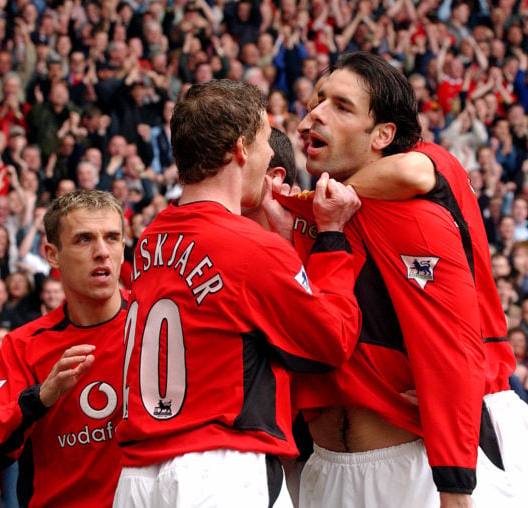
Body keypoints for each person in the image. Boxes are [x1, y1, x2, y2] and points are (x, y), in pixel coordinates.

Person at [281, 51, 528, 507]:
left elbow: (450, 349)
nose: (313, 117)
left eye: (341, 106)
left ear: (384, 134)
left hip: (458, 432)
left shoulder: (420, 189)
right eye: (315, 102)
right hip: (334, 468)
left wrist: (454, 482)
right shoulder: (320, 219)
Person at [113, 79, 362, 507]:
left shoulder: (153, 236)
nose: (270, 154)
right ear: (241, 148)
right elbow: (333, 339)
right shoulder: (249, 247)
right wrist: (332, 238)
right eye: (265, 140)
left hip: (139, 475)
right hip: (217, 469)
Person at [0, 190, 129, 507]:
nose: (103, 251)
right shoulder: (24, 345)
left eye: (113, 238)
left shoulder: (159, 323)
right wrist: (41, 397)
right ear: (52, 254)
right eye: (84, 239)